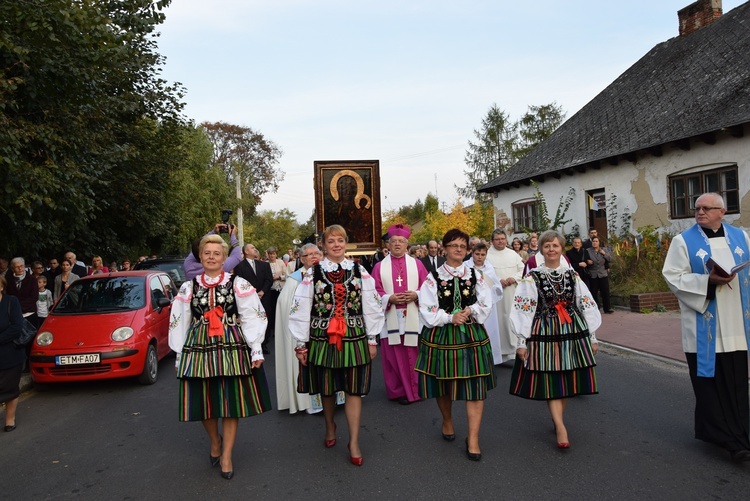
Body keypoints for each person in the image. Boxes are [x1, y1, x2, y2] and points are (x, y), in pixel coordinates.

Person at [168, 234, 271, 480]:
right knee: (205, 402)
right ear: (200, 257)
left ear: (224, 258)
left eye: (217, 253)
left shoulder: (239, 283)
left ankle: (226, 455)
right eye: (207, 253)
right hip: (199, 345)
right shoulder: (189, 286)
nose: (212, 257)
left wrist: (255, 347)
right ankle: (215, 440)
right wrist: (179, 355)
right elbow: (179, 322)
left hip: (231, 344)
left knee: (230, 401)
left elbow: (253, 315)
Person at [662, 192, 750, 463]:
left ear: (722, 212)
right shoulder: (682, 241)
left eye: (706, 208)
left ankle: (741, 433)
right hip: (705, 326)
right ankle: (726, 438)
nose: (699, 212)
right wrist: (708, 281)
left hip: (736, 322)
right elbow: (673, 277)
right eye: (697, 208)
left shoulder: (743, 237)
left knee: (736, 384)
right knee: (708, 384)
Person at [288, 225, 384, 466]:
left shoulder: (360, 270)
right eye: (331, 241)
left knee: (354, 389)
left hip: (354, 334)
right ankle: (330, 426)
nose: (336, 245)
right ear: (324, 245)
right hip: (321, 336)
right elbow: (300, 307)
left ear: (346, 242)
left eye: (341, 240)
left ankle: (353, 441)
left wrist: (372, 338)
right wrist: (301, 343)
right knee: (327, 387)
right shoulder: (312, 272)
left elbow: (371, 304)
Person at [509, 230, 601, 449]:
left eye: (555, 245)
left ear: (562, 248)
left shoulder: (573, 276)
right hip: (545, 332)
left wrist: (593, 336)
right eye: (547, 246)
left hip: (572, 330)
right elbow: (524, 308)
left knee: (566, 375)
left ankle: (557, 417)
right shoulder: (532, 277)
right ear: (541, 249)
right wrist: (522, 341)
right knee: (551, 376)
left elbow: (586, 304)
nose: (551, 249)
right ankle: (560, 426)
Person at [415, 228, 495, 461]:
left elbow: (486, 302)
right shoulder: (433, 277)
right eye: (453, 245)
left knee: (476, 386)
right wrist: (450, 317)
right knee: (444, 383)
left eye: (462, 246)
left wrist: (471, 310)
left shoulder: (476, 274)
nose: (458, 250)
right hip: (442, 335)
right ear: (445, 249)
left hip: (471, 335)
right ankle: (447, 420)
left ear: (467, 249)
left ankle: (473, 437)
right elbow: (426, 308)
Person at [372, 224, 429, 405]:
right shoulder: (379, 267)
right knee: (393, 355)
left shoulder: (417, 264)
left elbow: (428, 288)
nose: (397, 244)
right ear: (388, 245)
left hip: (413, 314)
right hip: (391, 317)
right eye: (393, 241)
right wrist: (389, 298)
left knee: (414, 352)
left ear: (407, 244)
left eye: (401, 241)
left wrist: (416, 295)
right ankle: (399, 391)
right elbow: (374, 292)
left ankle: (417, 388)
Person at [274, 243, 326, 414]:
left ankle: (335, 397)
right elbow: (285, 304)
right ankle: (310, 402)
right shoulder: (296, 279)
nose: (314, 257)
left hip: (328, 329)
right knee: (309, 365)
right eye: (309, 255)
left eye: (316, 253)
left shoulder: (331, 273)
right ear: (302, 259)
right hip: (307, 330)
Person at [485, 230, 524, 364]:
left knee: (511, 319)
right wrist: (498, 281)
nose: (501, 241)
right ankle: (497, 352)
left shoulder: (512, 253)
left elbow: (522, 270)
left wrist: (514, 278)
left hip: (512, 292)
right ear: (492, 241)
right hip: (495, 294)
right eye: (497, 239)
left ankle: (512, 351)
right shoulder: (487, 255)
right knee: (498, 321)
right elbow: (483, 273)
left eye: (503, 238)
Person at [466, 242, 504, 365]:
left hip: (487, 304)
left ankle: (489, 357)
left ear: (486, 255)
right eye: (477, 254)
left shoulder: (489, 268)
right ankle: (472, 357)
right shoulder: (466, 266)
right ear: (472, 253)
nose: (480, 257)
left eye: (483, 254)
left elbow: (496, 287)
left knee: (489, 330)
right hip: (471, 304)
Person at [234, 243, 274, 354]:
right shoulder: (240, 266)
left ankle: (264, 344)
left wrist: (262, 291)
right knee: (250, 319)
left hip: (264, 297)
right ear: (246, 251)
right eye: (252, 248)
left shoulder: (264, 265)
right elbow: (239, 282)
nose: (255, 249)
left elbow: (269, 280)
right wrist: (252, 294)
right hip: (248, 299)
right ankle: (250, 343)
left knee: (265, 319)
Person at [0, 275, 25, 432]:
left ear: (2, 287)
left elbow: (17, 327)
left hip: (10, 354)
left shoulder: (11, 302)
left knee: (9, 388)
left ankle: (10, 419)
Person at [586, 236, 614, 313]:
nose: (594, 243)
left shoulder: (604, 250)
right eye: (593, 241)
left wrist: (604, 253)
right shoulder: (588, 251)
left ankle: (607, 308)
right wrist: (587, 261)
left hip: (603, 273)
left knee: (605, 291)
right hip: (593, 274)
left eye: (596, 241)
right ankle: (596, 308)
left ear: (599, 243)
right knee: (594, 292)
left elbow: (610, 259)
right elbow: (585, 259)